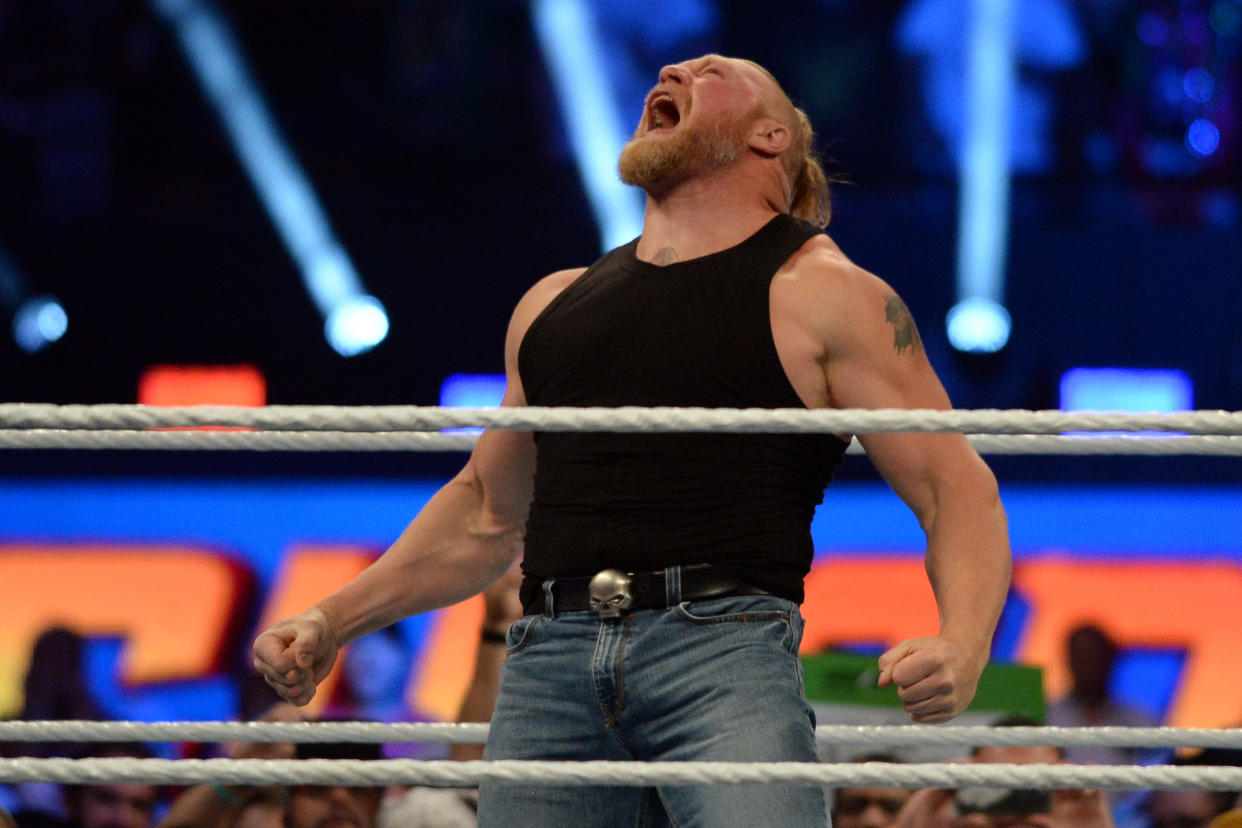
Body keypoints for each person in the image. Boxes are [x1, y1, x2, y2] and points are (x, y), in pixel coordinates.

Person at [253, 53, 1012, 827]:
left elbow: (956, 487)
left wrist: (964, 645)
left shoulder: (825, 293)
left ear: (770, 135)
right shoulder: (553, 303)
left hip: (723, 654)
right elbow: (485, 511)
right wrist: (332, 620)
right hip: (549, 658)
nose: (675, 68)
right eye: (675, 68)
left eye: (712, 71)